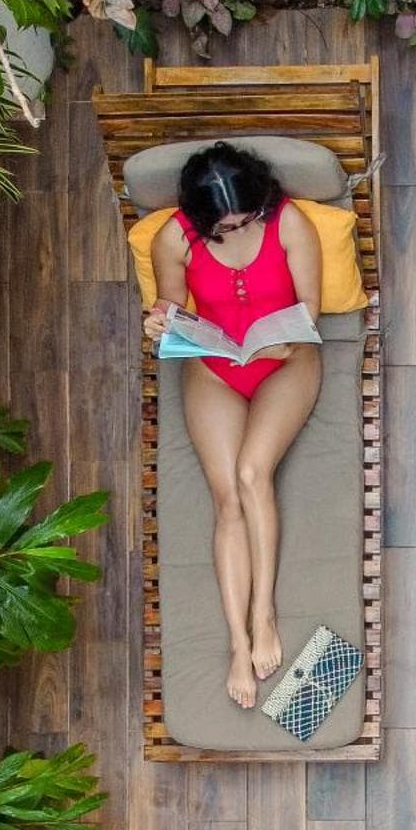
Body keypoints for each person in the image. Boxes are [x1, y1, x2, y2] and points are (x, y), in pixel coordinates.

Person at [143, 144, 323, 709]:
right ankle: (238, 643)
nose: (239, 230)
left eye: (246, 220)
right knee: (227, 502)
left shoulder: (289, 222)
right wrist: (160, 321)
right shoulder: (173, 239)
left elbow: (309, 307)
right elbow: (174, 307)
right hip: (215, 366)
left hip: (286, 358)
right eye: (225, 227)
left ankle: (263, 612)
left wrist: (277, 341)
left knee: (251, 474)